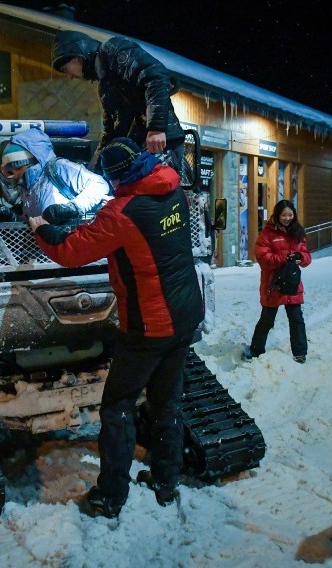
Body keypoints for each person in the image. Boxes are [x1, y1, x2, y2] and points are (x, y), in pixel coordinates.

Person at [27, 137, 203, 518]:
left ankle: (111, 495)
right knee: (166, 401)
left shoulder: (123, 213)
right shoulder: (171, 188)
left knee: (118, 406)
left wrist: (41, 227)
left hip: (150, 325)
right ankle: (166, 481)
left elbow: (72, 251)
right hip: (186, 312)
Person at [50, 31, 186, 173]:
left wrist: (156, 129)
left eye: (66, 69)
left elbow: (155, 75)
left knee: (160, 189)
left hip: (159, 143)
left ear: (77, 55)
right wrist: (94, 169)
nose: (69, 76)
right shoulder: (105, 86)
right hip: (141, 148)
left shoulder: (113, 50)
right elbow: (111, 132)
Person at [242, 199, 311, 363]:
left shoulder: (298, 233)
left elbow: (307, 257)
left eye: (290, 215)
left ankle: (300, 353)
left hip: (292, 283)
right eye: (284, 215)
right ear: (277, 215)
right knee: (267, 319)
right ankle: (256, 350)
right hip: (273, 284)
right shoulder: (267, 234)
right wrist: (283, 257)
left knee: (297, 320)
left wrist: (301, 257)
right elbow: (262, 257)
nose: (287, 218)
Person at [0, 127, 110, 223]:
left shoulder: (58, 168)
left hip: (81, 239)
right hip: (56, 245)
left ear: (29, 163)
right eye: (11, 171)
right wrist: (13, 217)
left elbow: (99, 184)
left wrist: (73, 208)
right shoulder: (28, 190)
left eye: (16, 168)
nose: (14, 175)